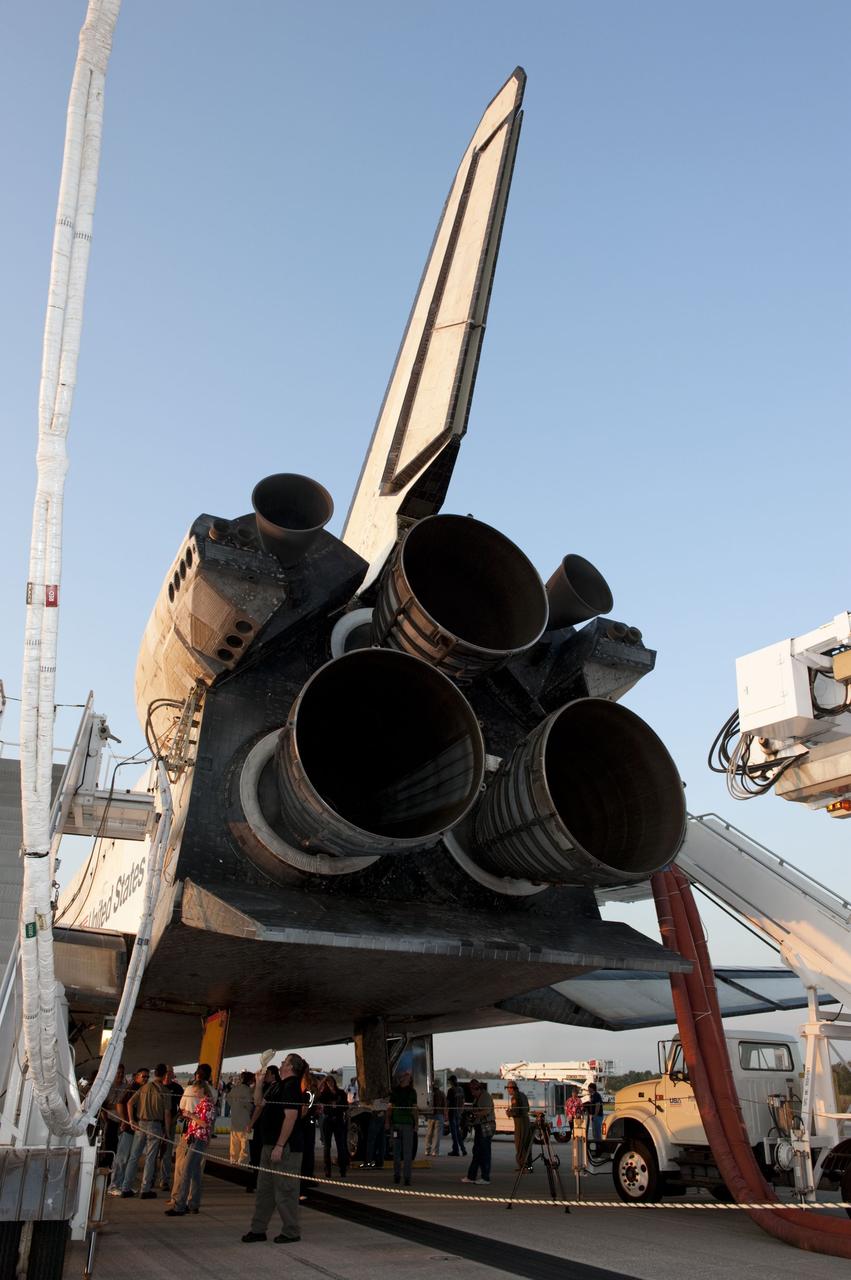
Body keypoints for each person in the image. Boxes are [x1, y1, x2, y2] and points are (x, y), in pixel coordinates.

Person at [242, 1052, 307, 1244]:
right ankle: (258, 1229)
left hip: (285, 1148)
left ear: (291, 1067)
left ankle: (291, 1231)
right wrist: (260, 1082)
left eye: (284, 1062)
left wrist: (280, 1145)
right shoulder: (277, 1085)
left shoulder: (292, 1086)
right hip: (268, 1145)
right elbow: (258, 1103)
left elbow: (291, 1117)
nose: (280, 1064)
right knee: (264, 1190)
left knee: (285, 1191)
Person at [165, 1063, 215, 1216]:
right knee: (196, 1171)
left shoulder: (204, 1103)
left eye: (196, 1090)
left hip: (195, 1138)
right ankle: (193, 1203)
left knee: (183, 1169)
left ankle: (178, 1203)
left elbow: (203, 1122)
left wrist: (189, 1115)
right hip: (198, 1137)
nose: (193, 1091)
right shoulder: (213, 1095)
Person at [121, 1063, 172, 1197]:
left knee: (134, 1156)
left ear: (155, 1073)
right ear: (165, 1074)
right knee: (150, 1158)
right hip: (155, 1126)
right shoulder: (165, 1091)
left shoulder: (144, 1088)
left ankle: (125, 1187)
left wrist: (131, 1120)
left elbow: (130, 1103)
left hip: (140, 1124)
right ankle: (145, 1189)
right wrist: (166, 1132)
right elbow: (167, 1114)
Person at [108, 1068, 149, 1195]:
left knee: (132, 1158)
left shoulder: (142, 1089)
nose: (146, 1079)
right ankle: (114, 1185)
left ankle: (126, 1184)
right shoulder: (132, 1088)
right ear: (136, 1077)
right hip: (128, 1128)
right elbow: (120, 1104)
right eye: (143, 1076)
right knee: (122, 1157)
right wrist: (125, 1121)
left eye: (147, 1077)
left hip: (136, 1128)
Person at [461, 1079, 495, 1186]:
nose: (471, 1093)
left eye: (472, 1090)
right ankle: (471, 1176)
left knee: (484, 1153)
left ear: (477, 1088)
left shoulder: (485, 1097)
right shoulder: (479, 1097)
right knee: (477, 1152)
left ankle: (485, 1177)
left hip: (486, 1126)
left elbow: (486, 1111)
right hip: (480, 1126)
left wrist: (474, 1114)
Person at [387, 1069, 418, 1186]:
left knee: (404, 1152)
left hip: (405, 1125)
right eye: (405, 1075)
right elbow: (390, 1108)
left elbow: (414, 1109)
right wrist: (387, 1121)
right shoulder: (406, 1092)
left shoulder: (405, 1091)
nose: (406, 1077)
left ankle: (404, 1177)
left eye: (407, 1076)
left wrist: (416, 1123)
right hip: (399, 1125)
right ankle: (400, 1176)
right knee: (399, 1152)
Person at [158, 1066, 184, 1189]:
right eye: (166, 1073)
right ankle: (151, 1178)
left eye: (171, 1073)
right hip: (156, 1124)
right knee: (153, 1153)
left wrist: (175, 1119)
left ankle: (165, 1180)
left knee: (167, 1153)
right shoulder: (156, 1086)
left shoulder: (177, 1088)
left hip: (171, 1123)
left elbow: (182, 1107)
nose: (168, 1075)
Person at [318, 1074, 349, 1178]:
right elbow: (317, 1095)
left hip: (339, 1120)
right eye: (328, 1082)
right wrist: (322, 1081)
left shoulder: (341, 1093)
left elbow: (346, 1106)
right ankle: (327, 1170)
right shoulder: (325, 1094)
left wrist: (337, 1106)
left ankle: (343, 1169)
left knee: (341, 1146)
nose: (330, 1083)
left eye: (331, 1081)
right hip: (328, 1120)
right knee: (327, 1146)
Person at [101, 1063, 125, 1169]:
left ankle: (114, 1169)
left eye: (122, 1073)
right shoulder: (107, 1087)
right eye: (118, 1073)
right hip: (110, 1121)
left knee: (119, 1149)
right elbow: (103, 1105)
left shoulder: (126, 1087)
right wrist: (106, 1120)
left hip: (122, 1123)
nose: (120, 1075)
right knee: (108, 1146)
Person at [228, 1071, 255, 1165]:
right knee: (245, 1143)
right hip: (246, 1120)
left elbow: (228, 1100)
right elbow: (251, 1106)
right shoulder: (249, 1091)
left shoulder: (235, 1089)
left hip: (234, 1119)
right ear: (251, 1080)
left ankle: (233, 1159)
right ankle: (243, 1161)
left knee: (234, 1142)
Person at [505, 1080, 532, 1171]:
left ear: (512, 1088)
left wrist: (509, 1113)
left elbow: (516, 1112)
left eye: (508, 1088)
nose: (507, 1090)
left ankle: (523, 1167)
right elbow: (527, 1108)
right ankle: (529, 1166)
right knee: (526, 1145)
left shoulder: (514, 1097)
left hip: (520, 1123)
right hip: (526, 1122)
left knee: (519, 1145)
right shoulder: (523, 1095)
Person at [362, 1095, 388, 1169]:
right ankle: (380, 1162)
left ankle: (368, 1162)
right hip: (382, 1112)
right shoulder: (385, 1092)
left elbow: (367, 1102)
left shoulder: (376, 1092)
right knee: (381, 1140)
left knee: (371, 1140)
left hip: (376, 1113)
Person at [446, 1075, 467, 1158]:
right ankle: (463, 1149)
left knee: (454, 1133)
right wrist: (461, 1111)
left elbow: (447, 1102)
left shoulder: (451, 1090)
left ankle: (456, 1150)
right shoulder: (461, 1089)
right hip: (458, 1113)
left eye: (450, 1081)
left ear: (451, 1082)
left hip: (452, 1113)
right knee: (458, 1132)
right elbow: (463, 1101)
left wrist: (445, 1112)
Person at [425, 1083, 446, 1157]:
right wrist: (445, 1116)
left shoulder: (429, 1094)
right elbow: (444, 1105)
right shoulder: (441, 1093)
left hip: (431, 1115)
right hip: (439, 1115)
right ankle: (435, 1152)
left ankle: (427, 1150)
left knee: (429, 1133)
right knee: (437, 1135)